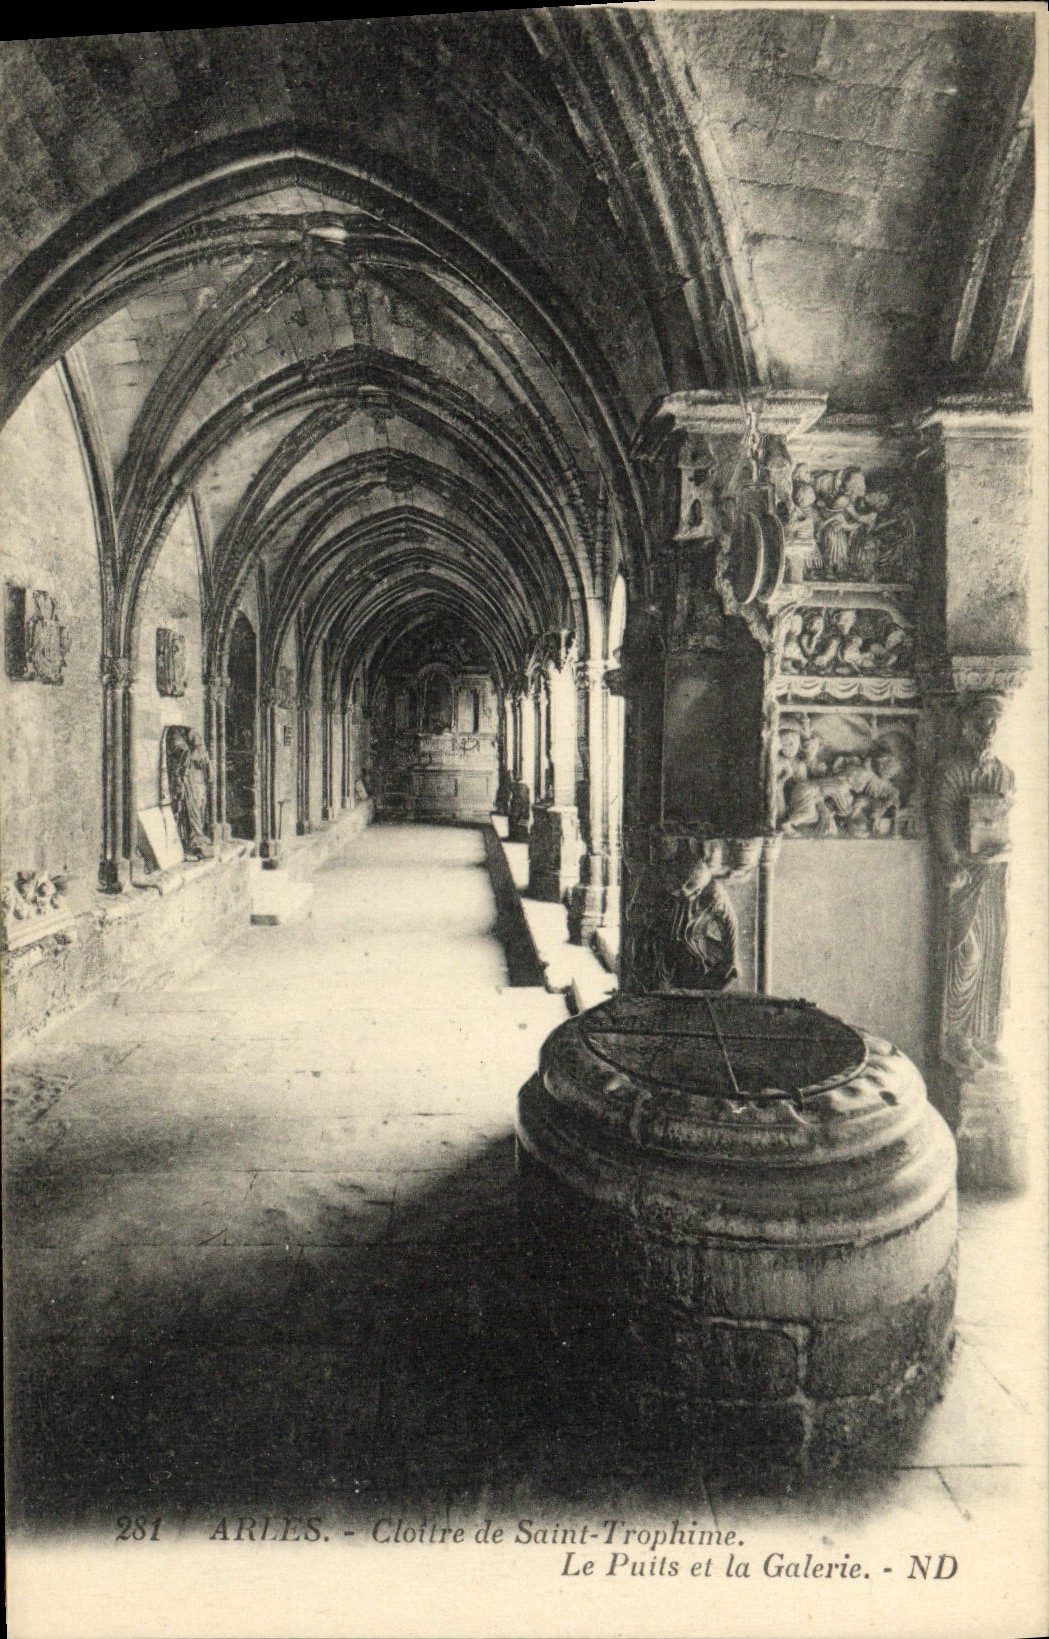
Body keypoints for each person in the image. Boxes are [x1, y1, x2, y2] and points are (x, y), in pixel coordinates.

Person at [171, 728, 214, 859]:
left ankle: (199, 837)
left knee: (201, 809)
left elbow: (208, 765)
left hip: (200, 782)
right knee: (194, 810)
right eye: (196, 737)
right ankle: (196, 840)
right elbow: (183, 763)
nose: (199, 740)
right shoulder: (185, 748)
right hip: (192, 782)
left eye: (199, 738)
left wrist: (209, 771)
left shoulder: (201, 750)